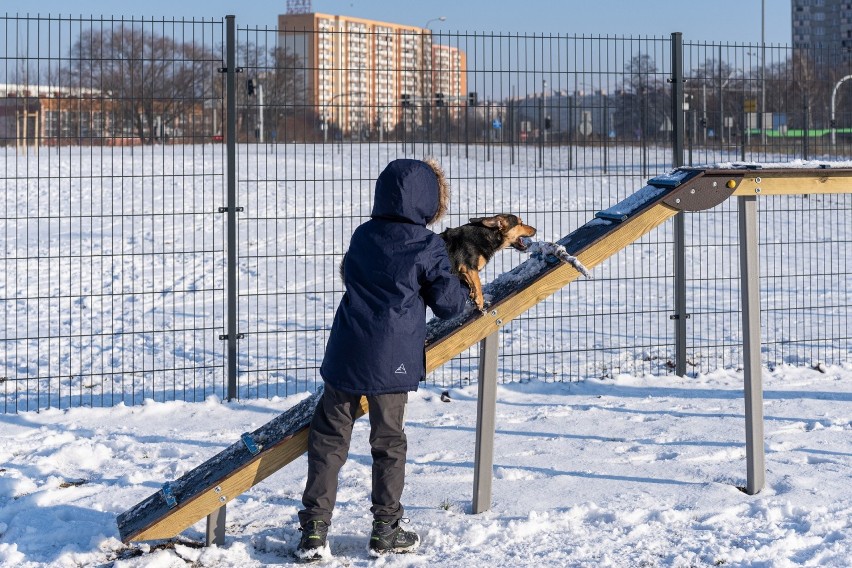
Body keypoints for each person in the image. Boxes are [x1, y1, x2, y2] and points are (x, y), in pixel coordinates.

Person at [295, 158, 470, 560]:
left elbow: (349, 274)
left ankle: (315, 531)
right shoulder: (427, 244)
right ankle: (385, 528)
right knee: (388, 442)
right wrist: (458, 283)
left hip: (347, 351)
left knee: (327, 439)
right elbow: (447, 306)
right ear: (430, 200)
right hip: (392, 360)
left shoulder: (363, 234)